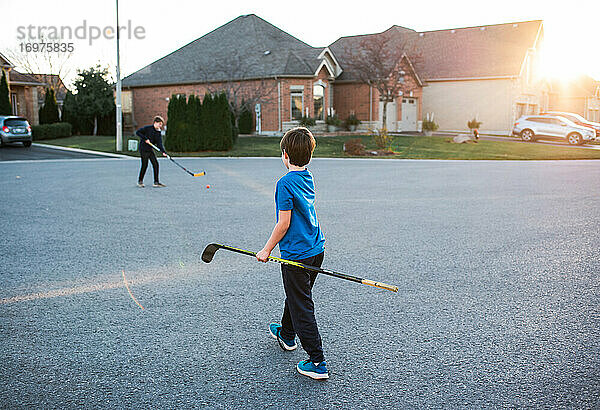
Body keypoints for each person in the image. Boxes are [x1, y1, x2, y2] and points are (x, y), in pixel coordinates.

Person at [256, 127, 328, 380]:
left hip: (296, 255)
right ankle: (287, 335)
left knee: (302, 304)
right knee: (298, 296)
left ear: (285, 155)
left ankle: (317, 361)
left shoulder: (284, 183)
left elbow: (283, 223)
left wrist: (266, 250)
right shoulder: (308, 176)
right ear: (309, 154)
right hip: (316, 249)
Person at [136, 116, 167, 188]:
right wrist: (145, 139)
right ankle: (140, 181)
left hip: (150, 149)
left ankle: (156, 182)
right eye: (159, 124)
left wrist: (163, 151)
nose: (160, 126)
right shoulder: (147, 128)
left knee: (155, 164)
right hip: (143, 149)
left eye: (161, 124)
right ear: (155, 123)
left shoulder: (158, 132)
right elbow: (138, 132)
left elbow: (159, 143)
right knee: (145, 165)